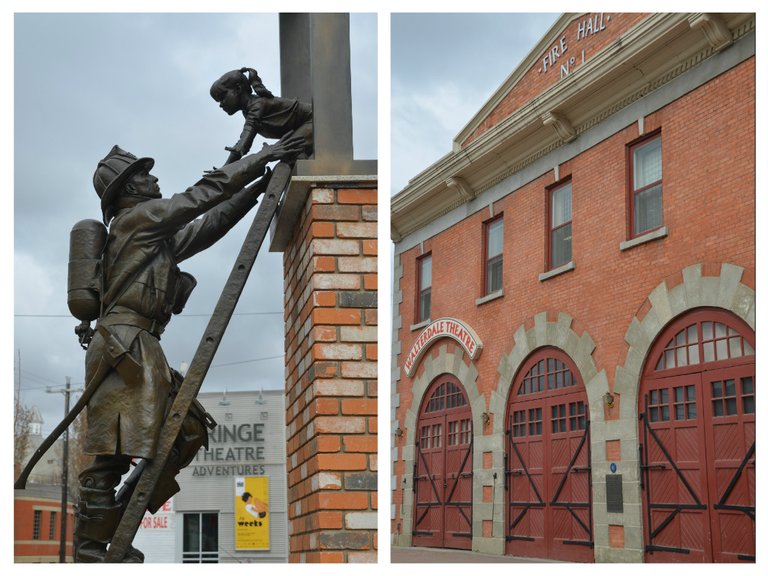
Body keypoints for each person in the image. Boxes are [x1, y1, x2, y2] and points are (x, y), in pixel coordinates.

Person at [74, 133, 304, 563]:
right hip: (124, 346)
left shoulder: (150, 238)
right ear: (128, 189)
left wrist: (254, 190)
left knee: (190, 430)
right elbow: (199, 197)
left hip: (138, 346)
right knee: (111, 455)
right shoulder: (136, 221)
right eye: (144, 174)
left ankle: (116, 527)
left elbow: (206, 225)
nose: (154, 177)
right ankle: (91, 552)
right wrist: (266, 155)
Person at [210, 67, 313, 165]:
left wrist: (226, 166)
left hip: (314, 120)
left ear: (238, 88)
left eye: (222, 97)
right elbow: (242, 143)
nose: (221, 104)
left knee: (286, 151)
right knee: (286, 155)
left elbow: (243, 143)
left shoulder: (258, 105)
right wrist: (224, 167)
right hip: (306, 125)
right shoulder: (248, 111)